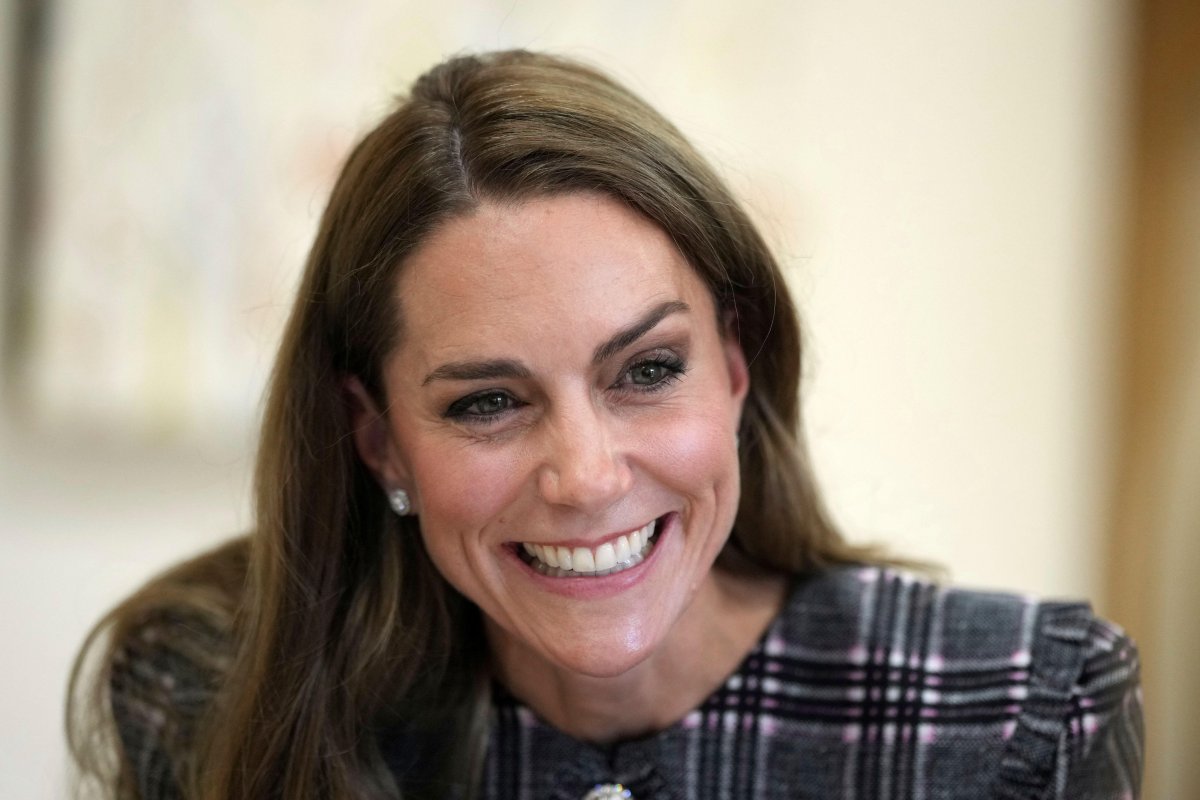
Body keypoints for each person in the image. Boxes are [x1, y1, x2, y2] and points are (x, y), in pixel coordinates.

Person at [68, 50, 1143, 800]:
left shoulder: (1016, 712)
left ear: (734, 365)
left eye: (646, 369)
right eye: (488, 401)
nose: (584, 475)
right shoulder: (204, 691)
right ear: (378, 436)